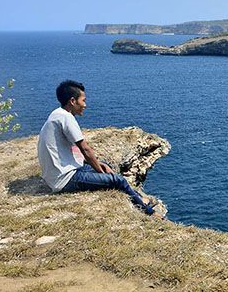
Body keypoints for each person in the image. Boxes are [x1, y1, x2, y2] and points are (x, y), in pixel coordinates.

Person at [37, 79, 160, 217]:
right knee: (116, 180)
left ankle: (138, 197)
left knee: (105, 165)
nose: (85, 105)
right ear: (72, 101)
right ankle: (148, 212)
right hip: (64, 180)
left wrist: (99, 165)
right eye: (83, 100)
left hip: (58, 173)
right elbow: (85, 149)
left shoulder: (57, 114)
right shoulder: (66, 118)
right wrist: (99, 171)